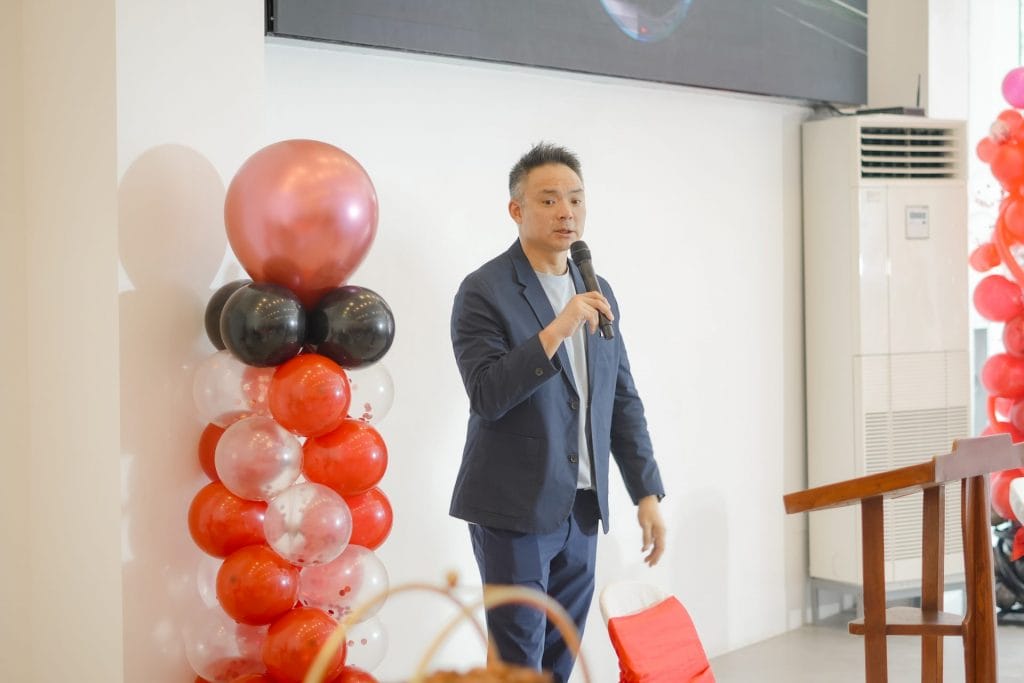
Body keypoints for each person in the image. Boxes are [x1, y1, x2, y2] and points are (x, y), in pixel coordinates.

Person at [449, 142, 666, 682]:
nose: (566, 211)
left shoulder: (596, 288)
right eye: (548, 200)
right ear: (516, 210)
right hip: (514, 511)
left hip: (582, 509)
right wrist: (557, 329)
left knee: (559, 657)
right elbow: (487, 394)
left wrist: (646, 493)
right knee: (518, 660)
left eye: (575, 198)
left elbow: (620, 398)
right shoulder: (484, 290)